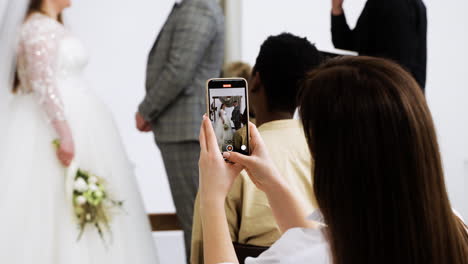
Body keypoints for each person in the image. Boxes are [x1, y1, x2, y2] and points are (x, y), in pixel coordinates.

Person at [197, 56, 468, 264]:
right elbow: (315, 242)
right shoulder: (454, 231)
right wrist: (272, 183)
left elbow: (310, 250)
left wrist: (211, 197)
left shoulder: (298, 258)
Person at [0, 0, 159, 263]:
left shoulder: (51, 25)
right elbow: (43, 83)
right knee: (51, 199)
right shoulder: (38, 27)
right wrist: (64, 133)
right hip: (51, 125)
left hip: (81, 121)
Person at [191, 33, 323, 264]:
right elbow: (310, 239)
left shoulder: (227, 165)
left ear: (255, 82)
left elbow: (203, 254)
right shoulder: (325, 151)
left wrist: (210, 197)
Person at [135, 0, 224, 259]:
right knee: (196, 222)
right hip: (183, 126)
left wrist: (147, 109)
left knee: (198, 224)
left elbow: (179, 70)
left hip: (186, 128)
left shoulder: (199, 8)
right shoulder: (193, 7)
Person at [330, 0, 427, 90]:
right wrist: (337, 8)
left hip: (388, 100)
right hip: (395, 98)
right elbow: (349, 43)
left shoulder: (392, 4)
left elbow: (397, 68)